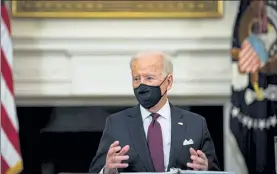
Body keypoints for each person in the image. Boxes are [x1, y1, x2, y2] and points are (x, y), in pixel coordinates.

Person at [88, 51, 220, 173]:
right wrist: (107, 170)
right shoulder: (116, 124)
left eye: (149, 78)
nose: (142, 85)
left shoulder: (196, 124)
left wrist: (206, 170)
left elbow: (215, 171)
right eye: (136, 79)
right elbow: (95, 171)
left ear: (168, 82)